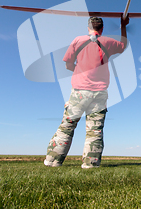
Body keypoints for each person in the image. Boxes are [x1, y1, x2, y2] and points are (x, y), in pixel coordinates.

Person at [44, 16, 128, 168]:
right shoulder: (108, 42)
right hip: (100, 93)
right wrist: (123, 25)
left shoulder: (78, 41)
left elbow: (68, 64)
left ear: (88, 27)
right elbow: (123, 45)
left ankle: (53, 161)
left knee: (67, 125)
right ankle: (91, 164)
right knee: (95, 130)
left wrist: (78, 69)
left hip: (79, 92)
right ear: (102, 29)